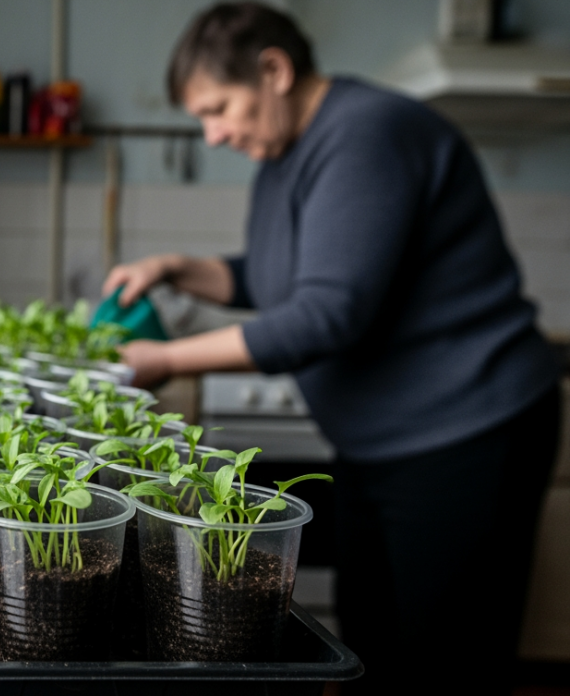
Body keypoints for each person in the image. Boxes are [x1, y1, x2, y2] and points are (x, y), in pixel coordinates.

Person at [104, 3, 562, 693]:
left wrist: (163, 361)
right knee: (374, 649)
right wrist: (173, 265)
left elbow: (325, 316)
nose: (215, 133)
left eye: (219, 108)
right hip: (383, 444)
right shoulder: (287, 155)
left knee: (446, 661)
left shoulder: (366, 135)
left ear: (274, 70)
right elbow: (271, 276)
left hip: (467, 435)